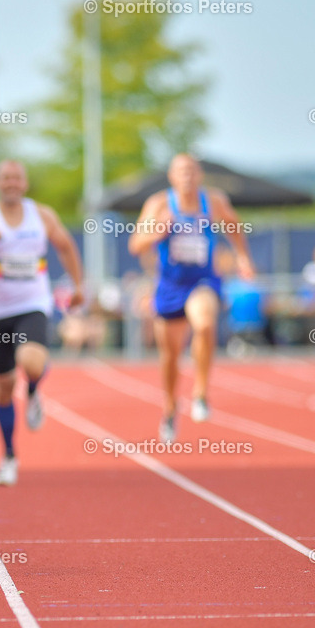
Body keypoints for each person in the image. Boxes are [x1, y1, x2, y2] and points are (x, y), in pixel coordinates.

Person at [0, 160, 84, 486]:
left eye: (16, 178)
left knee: (30, 362)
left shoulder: (42, 215)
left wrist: (78, 286)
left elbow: (66, 247)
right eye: (6, 178)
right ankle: (9, 456)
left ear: (25, 183)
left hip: (34, 306)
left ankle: (32, 390)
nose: (11, 183)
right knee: (3, 389)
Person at [128, 154, 255, 442]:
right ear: (172, 176)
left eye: (192, 171)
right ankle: (170, 408)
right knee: (170, 356)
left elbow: (233, 225)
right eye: (181, 171)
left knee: (205, 323)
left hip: (202, 280)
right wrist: (157, 232)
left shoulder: (213, 201)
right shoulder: (159, 204)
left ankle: (200, 392)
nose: (187, 176)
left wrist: (243, 257)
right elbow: (135, 244)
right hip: (170, 285)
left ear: (200, 175)